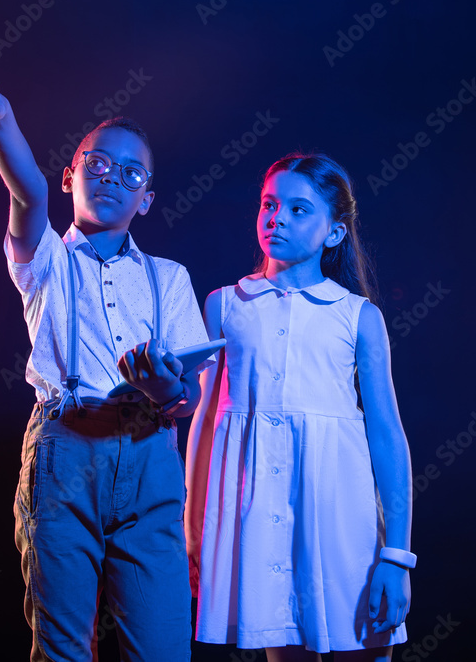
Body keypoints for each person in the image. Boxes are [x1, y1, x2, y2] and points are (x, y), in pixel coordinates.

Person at [0, 31, 210, 661]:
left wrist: (164, 388)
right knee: (62, 649)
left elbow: (186, 399)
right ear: (71, 176)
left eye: (131, 173)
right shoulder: (47, 260)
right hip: (67, 455)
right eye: (98, 164)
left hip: (149, 458)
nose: (113, 177)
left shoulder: (168, 278)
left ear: (147, 199)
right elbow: (24, 190)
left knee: (164, 648)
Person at [185, 152, 414, 661]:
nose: (277, 218)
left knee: (362, 647)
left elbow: (386, 435)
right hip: (256, 524)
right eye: (270, 204)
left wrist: (397, 555)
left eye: (298, 209)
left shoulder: (358, 317)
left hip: (343, 526)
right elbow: (204, 423)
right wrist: (194, 527)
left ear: (334, 232)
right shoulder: (225, 305)